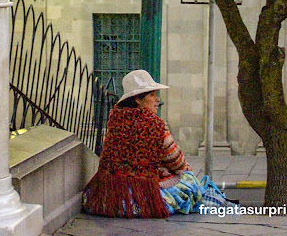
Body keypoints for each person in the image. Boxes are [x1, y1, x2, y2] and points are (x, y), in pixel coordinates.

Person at [83, 69, 234, 218]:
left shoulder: (115, 121)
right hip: (143, 194)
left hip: (112, 195)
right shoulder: (154, 125)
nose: (157, 100)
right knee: (189, 179)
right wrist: (186, 172)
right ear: (137, 99)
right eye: (152, 95)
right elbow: (177, 162)